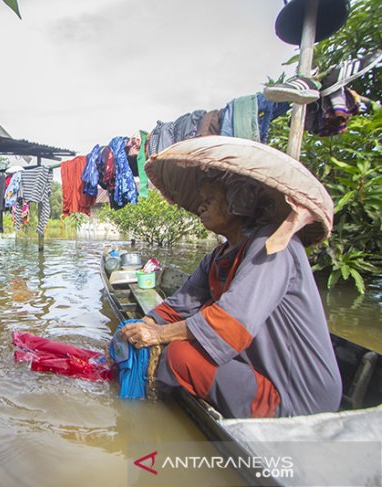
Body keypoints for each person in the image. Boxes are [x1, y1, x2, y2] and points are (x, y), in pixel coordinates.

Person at [121, 136, 342, 419]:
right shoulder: (218, 256)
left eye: (209, 200)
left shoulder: (273, 244)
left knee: (179, 356)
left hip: (298, 396)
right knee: (163, 341)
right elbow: (179, 306)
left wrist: (159, 334)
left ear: (239, 200)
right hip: (257, 370)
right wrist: (144, 324)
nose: (200, 207)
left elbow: (232, 322)